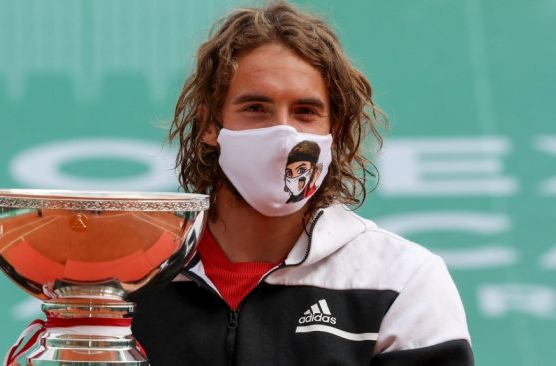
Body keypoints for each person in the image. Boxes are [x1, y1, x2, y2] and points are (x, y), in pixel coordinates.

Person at [132, 1, 474, 365]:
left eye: (305, 112)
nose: (284, 133)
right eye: (255, 108)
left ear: (335, 130)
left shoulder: (402, 279)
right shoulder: (131, 274)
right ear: (210, 127)